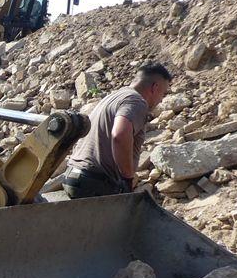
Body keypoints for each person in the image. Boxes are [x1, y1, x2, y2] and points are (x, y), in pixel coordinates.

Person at [63, 62, 172, 199]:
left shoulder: (115, 96)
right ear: (154, 88)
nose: (161, 100)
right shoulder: (136, 101)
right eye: (163, 93)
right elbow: (119, 135)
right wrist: (127, 178)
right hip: (95, 183)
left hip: (75, 176)